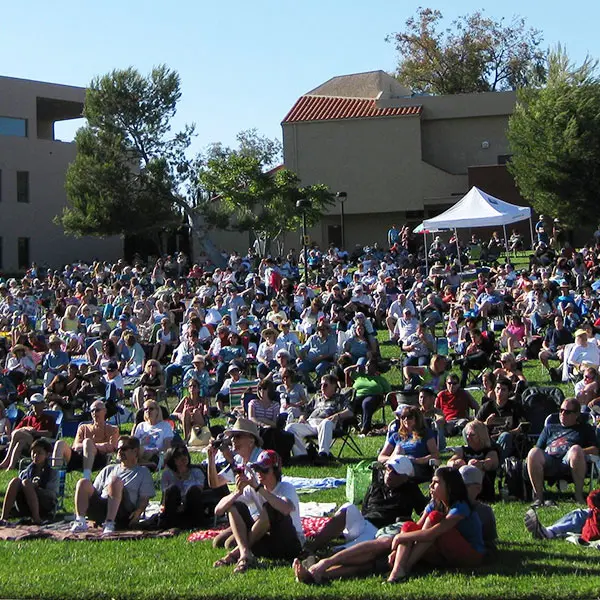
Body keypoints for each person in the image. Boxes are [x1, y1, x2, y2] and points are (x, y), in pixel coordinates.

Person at [293, 467, 484, 585]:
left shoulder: (460, 507)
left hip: (466, 555)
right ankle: (321, 571)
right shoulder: (435, 501)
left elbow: (432, 532)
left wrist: (400, 539)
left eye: (435, 483)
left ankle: (401, 568)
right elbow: (416, 528)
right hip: (436, 549)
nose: (431, 487)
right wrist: (401, 543)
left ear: (449, 486)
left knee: (428, 520)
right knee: (384, 549)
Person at [305, 456, 427, 552]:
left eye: (395, 472)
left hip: (381, 531)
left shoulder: (410, 489)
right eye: (388, 469)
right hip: (364, 523)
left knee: (351, 548)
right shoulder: (375, 485)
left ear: (405, 477)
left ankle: (328, 556)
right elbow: (364, 509)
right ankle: (313, 545)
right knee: (348, 507)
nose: (389, 474)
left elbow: (423, 511)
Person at [213, 449, 303, 573]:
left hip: (288, 543)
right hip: (268, 541)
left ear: (275, 471)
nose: (260, 473)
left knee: (271, 507)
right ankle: (245, 553)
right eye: (257, 469)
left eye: (265, 470)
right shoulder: (253, 488)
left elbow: (286, 508)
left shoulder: (286, 487)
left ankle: (235, 555)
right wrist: (237, 492)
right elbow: (218, 510)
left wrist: (258, 488)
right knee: (234, 506)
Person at [70, 435, 155, 534]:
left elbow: (144, 498)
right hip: (103, 506)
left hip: (123, 511)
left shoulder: (142, 472)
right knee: (83, 482)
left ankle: (110, 523)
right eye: (118, 449)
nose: (119, 452)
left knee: (115, 481)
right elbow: (95, 491)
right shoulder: (109, 469)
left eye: (124, 449)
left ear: (135, 451)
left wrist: (138, 512)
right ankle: (80, 521)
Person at [526, 397, 599, 506]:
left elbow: (595, 449)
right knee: (533, 452)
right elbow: (538, 448)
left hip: (570, 462)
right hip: (550, 460)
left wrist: (578, 452)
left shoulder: (585, 428)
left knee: (575, 449)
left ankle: (578, 496)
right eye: (561, 410)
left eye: (567, 412)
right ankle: (538, 498)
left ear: (576, 415)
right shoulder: (550, 428)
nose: (563, 414)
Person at [285, 374, 353, 463]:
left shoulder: (340, 398)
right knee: (290, 427)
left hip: (328, 424)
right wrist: (302, 417)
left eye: (325, 385)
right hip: (311, 424)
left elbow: (350, 411)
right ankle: (302, 456)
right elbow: (306, 411)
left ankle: (323, 455)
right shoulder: (317, 397)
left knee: (326, 423)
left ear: (333, 386)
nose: (322, 387)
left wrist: (337, 415)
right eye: (321, 385)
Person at [52, 400, 119, 480]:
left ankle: (86, 478)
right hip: (79, 457)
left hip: (99, 459)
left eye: (97, 410)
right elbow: (75, 446)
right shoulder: (83, 427)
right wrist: (91, 446)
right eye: (92, 411)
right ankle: (54, 477)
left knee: (87, 442)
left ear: (104, 411)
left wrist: (91, 446)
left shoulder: (112, 429)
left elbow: (112, 447)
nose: (94, 413)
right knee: (60, 443)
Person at [0, 438, 57, 525]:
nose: (35, 455)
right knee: (15, 481)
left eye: (39, 453)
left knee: (26, 483)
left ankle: (37, 518)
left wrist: (36, 488)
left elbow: (52, 495)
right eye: (33, 452)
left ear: (47, 455)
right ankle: (4, 517)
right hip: (25, 504)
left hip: (44, 504)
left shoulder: (52, 473)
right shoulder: (25, 472)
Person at [160, 445, 215, 529]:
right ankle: (170, 524)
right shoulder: (167, 474)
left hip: (192, 506)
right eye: (178, 456)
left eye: (184, 454)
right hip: (174, 507)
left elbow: (199, 490)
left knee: (193, 490)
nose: (183, 458)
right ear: (172, 459)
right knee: (172, 489)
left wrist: (184, 505)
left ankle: (197, 523)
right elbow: (165, 495)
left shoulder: (196, 472)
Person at [0, 394, 56, 470]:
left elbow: (50, 433)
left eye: (37, 404)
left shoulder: (48, 418)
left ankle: (5, 462)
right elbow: (15, 431)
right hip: (28, 443)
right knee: (20, 442)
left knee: (17, 434)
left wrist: (35, 432)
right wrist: (26, 428)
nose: (35, 406)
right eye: (33, 404)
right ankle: (11, 466)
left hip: (39, 442)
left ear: (43, 404)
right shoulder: (28, 418)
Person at [476, 377, 526, 460]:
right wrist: (485, 423)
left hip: (508, 440)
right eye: (498, 389)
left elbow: (523, 427)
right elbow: (473, 426)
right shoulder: (487, 407)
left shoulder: (515, 407)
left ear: (509, 392)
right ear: (494, 390)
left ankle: (499, 463)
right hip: (489, 440)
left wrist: (508, 433)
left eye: (503, 390)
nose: (500, 392)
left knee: (505, 436)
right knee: (466, 432)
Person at [447, 420, 499, 502]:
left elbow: (491, 462)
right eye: (467, 435)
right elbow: (449, 462)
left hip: (484, 489)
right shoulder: (463, 450)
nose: (468, 437)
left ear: (481, 435)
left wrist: (480, 464)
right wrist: (454, 463)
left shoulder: (490, 451)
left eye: (472, 435)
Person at [388, 405, 439, 482]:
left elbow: (435, 454)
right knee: (398, 449)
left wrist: (417, 460)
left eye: (409, 417)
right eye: (403, 417)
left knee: (394, 471)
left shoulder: (425, 434)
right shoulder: (396, 436)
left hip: (417, 467)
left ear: (417, 419)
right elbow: (381, 457)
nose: (405, 420)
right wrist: (398, 459)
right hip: (396, 465)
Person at [345, 358, 391, 435]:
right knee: (349, 404)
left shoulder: (380, 379)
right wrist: (357, 366)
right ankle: (350, 425)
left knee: (366, 403)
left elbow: (388, 392)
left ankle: (365, 428)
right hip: (357, 396)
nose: (367, 367)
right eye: (366, 365)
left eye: (370, 365)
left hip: (374, 397)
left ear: (375, 368)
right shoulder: (359, 376)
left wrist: (385, 400)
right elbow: (346, 371)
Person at [133, 399, 174, 467]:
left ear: (157, 411)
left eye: (151, 409)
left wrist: (155, 451)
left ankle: (140, 463)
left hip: (156, 455)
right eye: (145, 409)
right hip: (140, 453)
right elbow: (134, 443)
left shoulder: (165, 425)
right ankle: (144, 464)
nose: (148, 411)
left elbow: (167, 446)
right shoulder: (141, 426)